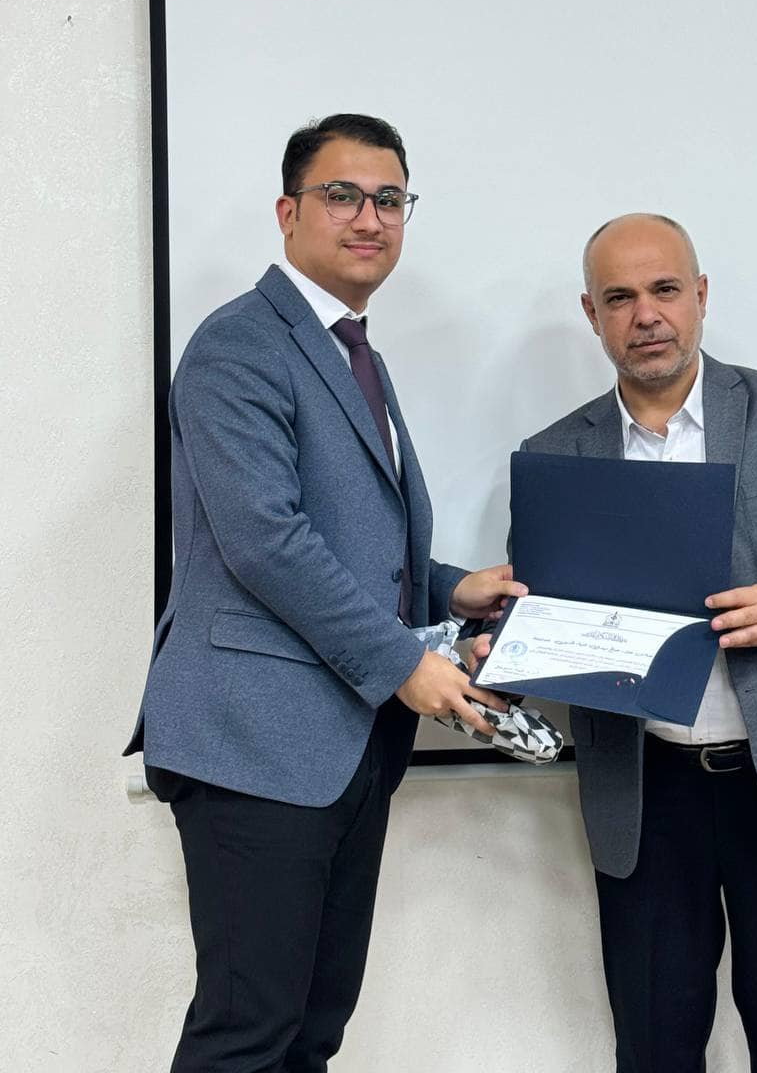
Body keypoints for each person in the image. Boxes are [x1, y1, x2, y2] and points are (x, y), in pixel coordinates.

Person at [125, 113, 525, 1072]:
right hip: (252, 742)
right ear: (288, 212)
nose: (369, 218)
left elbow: (351, 541)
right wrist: (405, 665)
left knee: (312, 1032)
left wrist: (451, 589)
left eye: (390, 199)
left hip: (343, 746)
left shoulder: (355, 352)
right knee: (247, 1034)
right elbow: (266, 542)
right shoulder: (239, 345)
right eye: (342, 195)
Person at [475, 213, 757, 1073]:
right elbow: (541, 609)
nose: (647, 315)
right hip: (646, 793)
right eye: (620, 297)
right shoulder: (555, 453)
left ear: (700, 295)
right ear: (592, 314)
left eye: (665, 289)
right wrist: (504, 658)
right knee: (654, 1045)